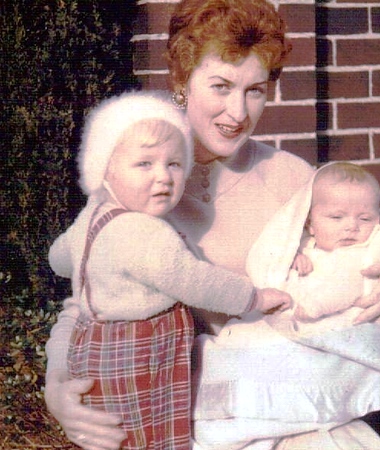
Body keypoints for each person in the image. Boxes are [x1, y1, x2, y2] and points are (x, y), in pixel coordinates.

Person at [44, 1, 380, 448]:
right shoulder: (141, 181)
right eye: (221, 86)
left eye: (255, 90)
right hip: (185, 415)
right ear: (182, 81)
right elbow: (86, 303)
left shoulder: (290, 176)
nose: (238, 112)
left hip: (290, 405)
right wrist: (57, 385)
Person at [48, 91, 291, 450]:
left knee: (120, 436)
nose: (163, 177)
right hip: (142, 355)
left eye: (174, 164)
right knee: (152, 433)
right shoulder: (143, 232)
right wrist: (254, 297)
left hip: (96, 351)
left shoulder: (93, 215)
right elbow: (197, 282)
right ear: (107, 170)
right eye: (144, 164)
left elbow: (59, 258)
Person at [191, 162, 380, 449]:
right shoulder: (305, 237)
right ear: (310, 223)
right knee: (235, 357)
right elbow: (279, 249)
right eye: (337, 217)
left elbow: (359, 273)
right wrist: (289, 259)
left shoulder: (360, 250)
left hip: (325, 336)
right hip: (270, 328)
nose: (351, 226)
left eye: (364, 219)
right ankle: (227, 418)